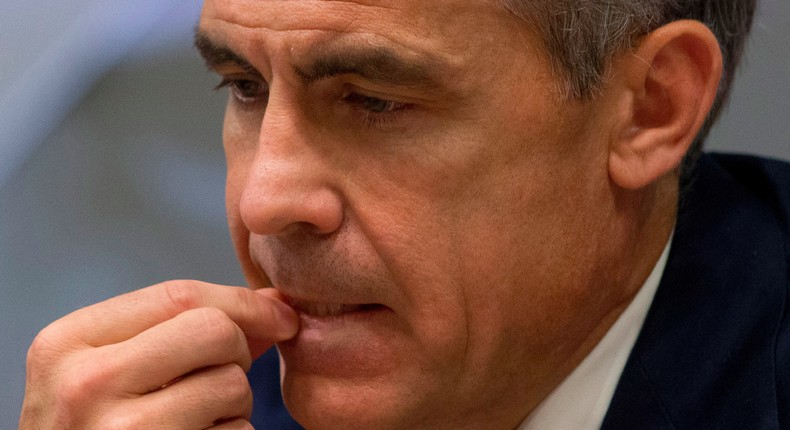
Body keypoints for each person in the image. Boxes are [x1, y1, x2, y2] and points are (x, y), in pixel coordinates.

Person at [18, 0, 789, 429]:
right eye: (243, 86)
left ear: (650, 108)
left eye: (375, 100)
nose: (264, 200)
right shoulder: (207, 410)